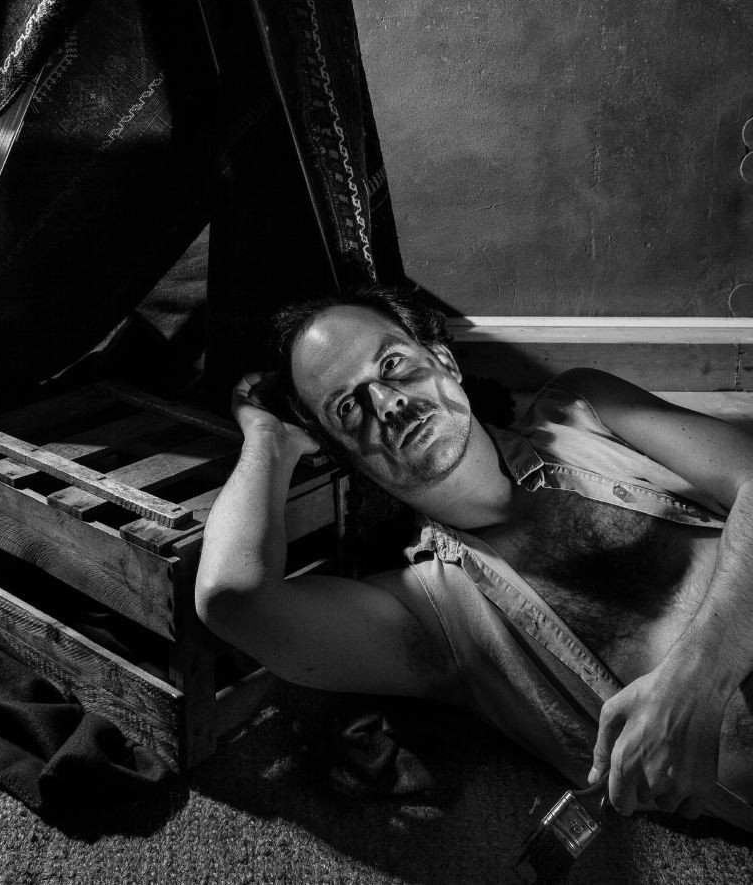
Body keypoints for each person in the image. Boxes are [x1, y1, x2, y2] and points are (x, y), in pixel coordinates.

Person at [194, 282, 753, 831]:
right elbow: (234, 598)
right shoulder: (435, 615)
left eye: (391, 364)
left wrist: (696, 684)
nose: (387, 403)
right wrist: (269, 439)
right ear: (344, 454)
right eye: (347, 406)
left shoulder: (584, 409)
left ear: (443, 361)